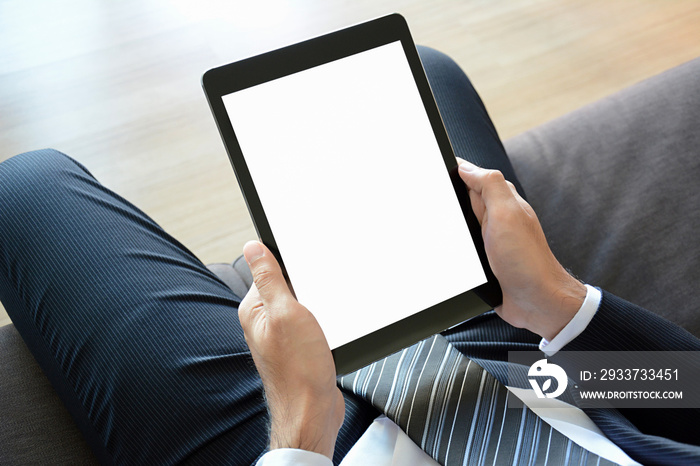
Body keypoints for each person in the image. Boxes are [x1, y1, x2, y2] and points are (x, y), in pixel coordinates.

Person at [0, 47, 698, 466]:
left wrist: (301, 424)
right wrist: (557, 303)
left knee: (23, 189)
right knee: (422, 73)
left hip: (328, 446)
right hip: (536, 377)